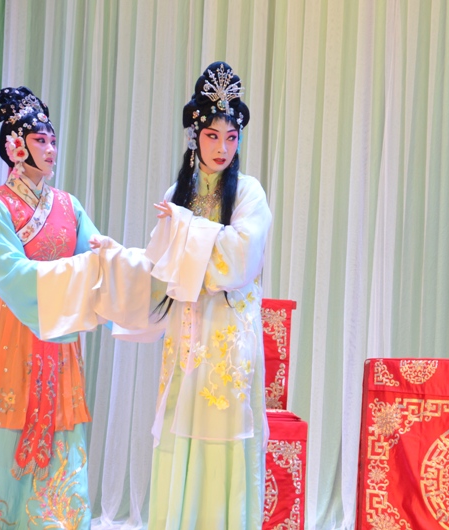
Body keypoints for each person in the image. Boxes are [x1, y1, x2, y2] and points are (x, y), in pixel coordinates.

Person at [91, 61, 272, 529]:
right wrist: (117, 257)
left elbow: (238, 260)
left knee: (225, 434)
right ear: (195, 136)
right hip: (186, 338)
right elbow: (160, 270)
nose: (223, 148)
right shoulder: (178, 194)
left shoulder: (248, 194)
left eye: (231, 137)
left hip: (229, 341)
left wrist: (185, 229)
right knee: (178, 429)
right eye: (212, 136)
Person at [0, 86, 99, 528]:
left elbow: (94, 259)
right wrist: (61, 285)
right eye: (40, 140)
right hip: (14, 328)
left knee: (60, 422)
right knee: (5, 413)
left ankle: (56, 517)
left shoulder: (69, 205)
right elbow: (7, 272)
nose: (51, 149)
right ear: (15, 147)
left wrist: (125, 265)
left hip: (58, 332)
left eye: (52, 140)